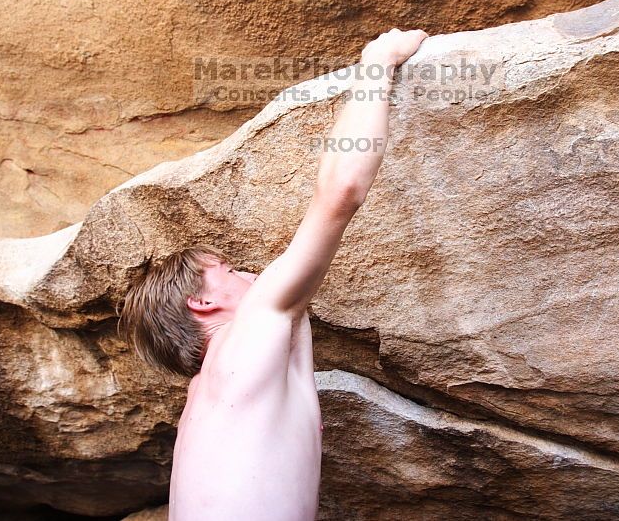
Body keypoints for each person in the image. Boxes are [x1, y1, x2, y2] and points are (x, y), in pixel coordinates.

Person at [119, 28, 428, 521]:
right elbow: (342, 190)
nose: (247, 271)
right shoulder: (248, 337)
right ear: (202, 302)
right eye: (226, 269)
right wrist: (378, 61)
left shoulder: (207, 398)